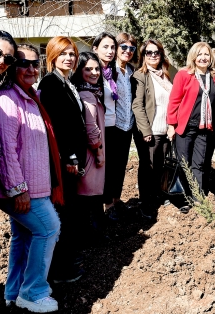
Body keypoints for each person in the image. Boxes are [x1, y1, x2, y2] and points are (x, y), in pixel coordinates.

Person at [0, 45, 62, 312]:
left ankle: (14, 291)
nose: (31, 69)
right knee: (48, 228)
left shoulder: (32, 97)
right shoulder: (6, 100)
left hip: (36, 186)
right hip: (21, 189)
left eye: (35, 63)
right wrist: (17, 189)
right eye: (24, 64)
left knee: (24, 237)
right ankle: (33, 292)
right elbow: (4, 150)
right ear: (11, 68)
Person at [38, 36, 87, 283]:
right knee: (61, 213)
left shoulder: (66, 82)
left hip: (72, 158)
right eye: (64, 54)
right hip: (62, 160)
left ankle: (66, 260)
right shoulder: (50, 84)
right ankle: (58, 270)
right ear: (52, 57)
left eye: (72, 54)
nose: (69, 58)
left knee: (68, 211)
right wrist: (70, 156)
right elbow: (56, 126)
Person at [167, 42, 215, 212]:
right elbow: (174, 101)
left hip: (205, 128)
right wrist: (171, 125)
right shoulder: (184, 74)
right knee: (184, 163)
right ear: (193, 57)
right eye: (200, 54)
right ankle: (183, 198)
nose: (203, 58)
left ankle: (198, 197)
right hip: (186, 126)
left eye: (206, 54)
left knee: (199, 164)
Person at [93, 32, 136, 219]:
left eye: (131, 48)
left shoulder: (131, 71)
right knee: (109, 167)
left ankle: (116, 200)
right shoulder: (108, 71)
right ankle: (108, 204)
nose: (127, 51)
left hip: (127, 125)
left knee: (121, 165)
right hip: (111, 126)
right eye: (123, 47)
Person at [132, 39, 174, 219]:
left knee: (159, 165)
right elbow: (137, 105)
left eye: (156, 52)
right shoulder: (140, 76)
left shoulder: (165, 75)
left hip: (165, 130)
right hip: (150, 130)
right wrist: (146, 131)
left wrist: (172, 126)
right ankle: (145, 202)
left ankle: (156, 195)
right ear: (143, 56)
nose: (153, 55)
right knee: (147, 166)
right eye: (149, 52)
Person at [71, 52, 107, 236]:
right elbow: (91, 127)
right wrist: (99, 151)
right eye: (88, 69)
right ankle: (90, 233)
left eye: (97, 68)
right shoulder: (87, 95)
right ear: (79, 70)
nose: (94, 73)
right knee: (89, 192)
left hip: (91, 151)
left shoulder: (88, 91)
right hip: (92, 153)